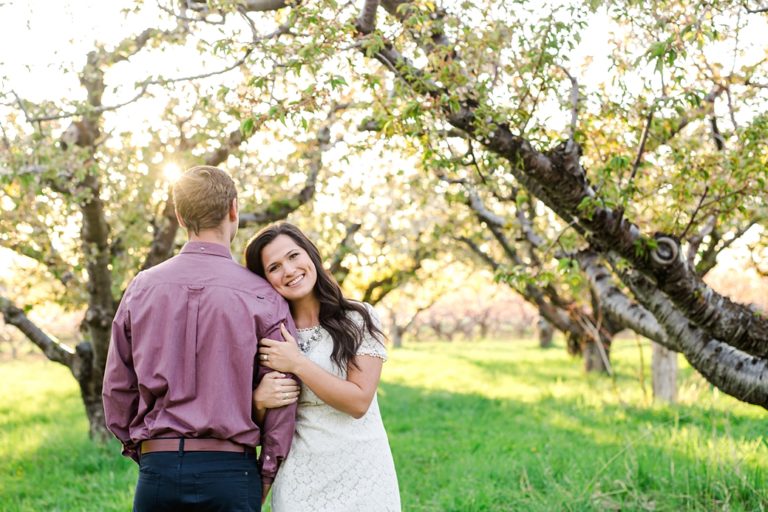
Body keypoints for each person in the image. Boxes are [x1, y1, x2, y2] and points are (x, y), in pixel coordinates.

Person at [103, 165, 298, 511]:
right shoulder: (264, 296)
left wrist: (148, 455)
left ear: (180, 217)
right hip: (232, 473)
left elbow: (117, 390)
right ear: (233, 209)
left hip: (158, 469)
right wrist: (265, 473)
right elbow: (282, 392)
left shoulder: (141, 288)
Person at [244, 222, 401, 512]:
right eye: (274, 267)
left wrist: (297, 364)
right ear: (264, 280)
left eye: (293, 256)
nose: (289, 270)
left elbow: (358, 401)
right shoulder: (267, 335)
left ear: (310, 255)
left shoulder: (358, 319)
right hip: (299, 479)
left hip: (362, 473)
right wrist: (258, 401)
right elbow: (252, 419)